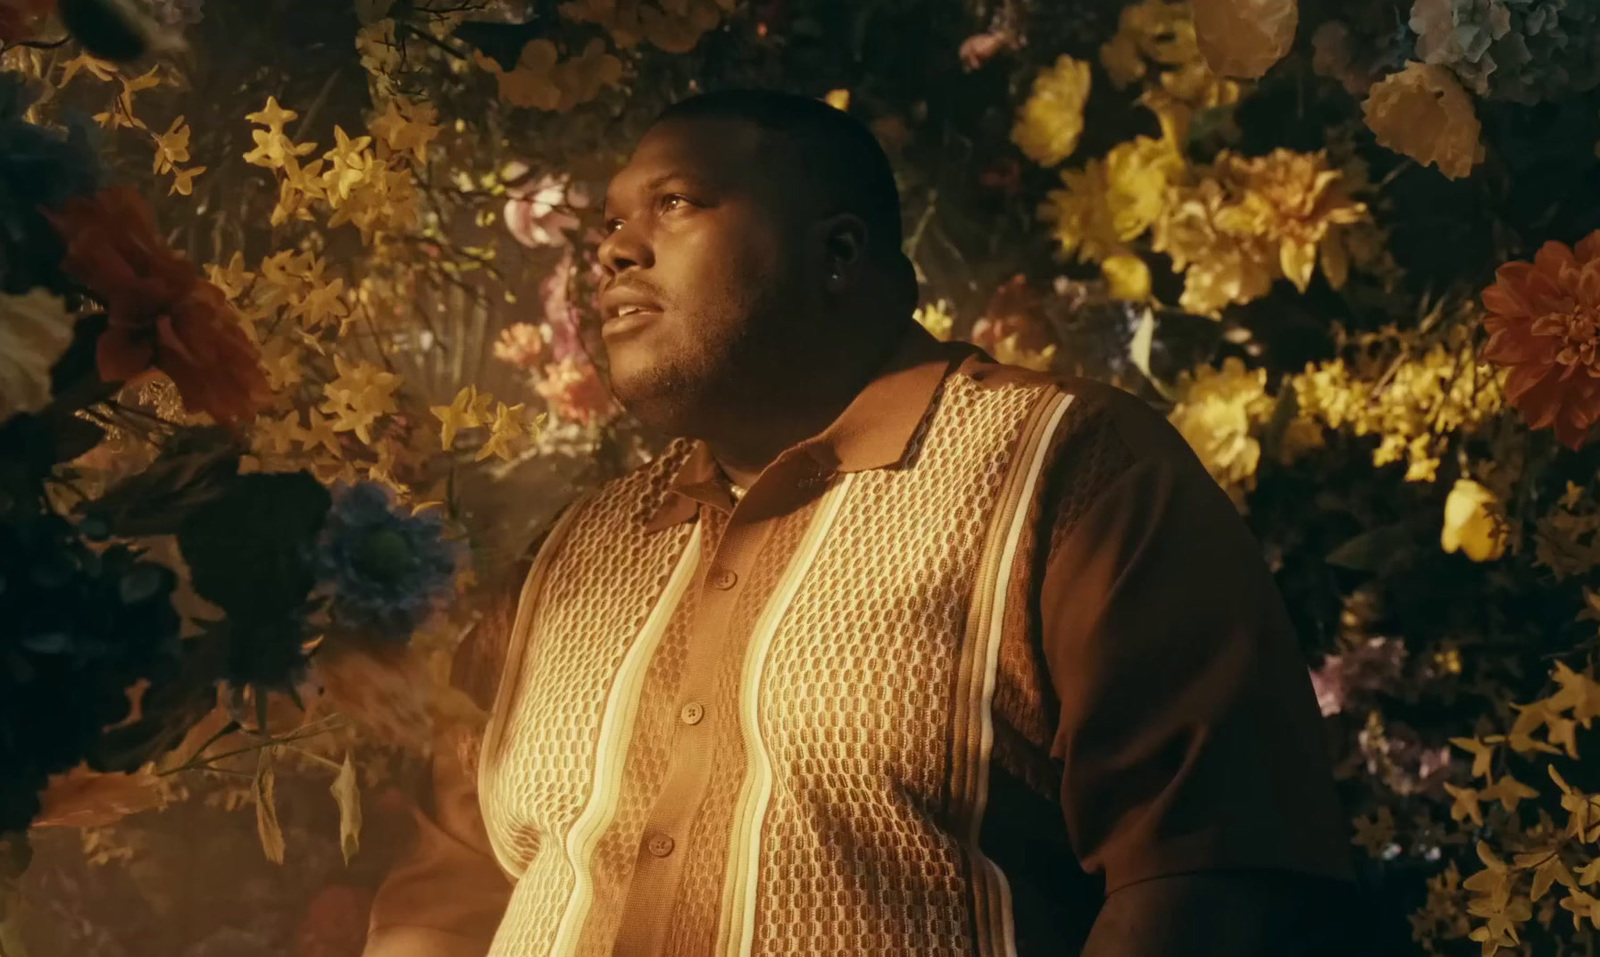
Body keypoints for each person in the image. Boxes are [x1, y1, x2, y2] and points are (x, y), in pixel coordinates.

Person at [361, 88, 1357, 957]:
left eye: (676, 202)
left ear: (837, 251)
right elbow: (446, 885)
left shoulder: (1065, 468)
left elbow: (1209, 871)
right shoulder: (581, 548)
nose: (614, 248)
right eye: (613, 220)